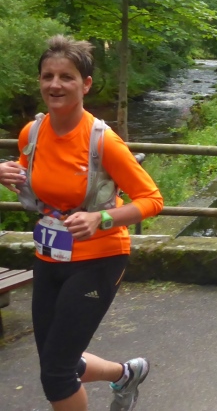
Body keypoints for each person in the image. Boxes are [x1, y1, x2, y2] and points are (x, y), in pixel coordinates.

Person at [0, 35, 164, 411]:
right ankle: (127, 374)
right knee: (58, 361)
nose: (55, 85)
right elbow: (32, 176)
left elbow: (152, 199)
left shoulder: (103, 141)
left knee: (56, 375)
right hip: (50, 257)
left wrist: (100, 217)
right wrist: (8, 172)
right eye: (48, 76)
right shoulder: (32, 133)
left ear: (85, 84)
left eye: (66, 77)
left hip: (99, 259)